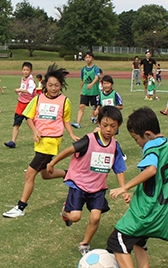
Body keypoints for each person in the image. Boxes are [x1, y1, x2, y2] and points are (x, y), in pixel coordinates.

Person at [108, 107, 168, 268]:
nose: (138, 144)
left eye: (136, 139)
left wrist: (124, 187)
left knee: (116, 241)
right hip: (164, 208)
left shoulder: (151, 147)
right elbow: (159, 181)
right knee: (140, 243)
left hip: (148, 210)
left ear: (147, 135)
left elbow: (151, 170)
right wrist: (137, 193)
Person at [46, 105, 127, 254]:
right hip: (79, 184)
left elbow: (119, 169)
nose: (108, 129)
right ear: (98, 123)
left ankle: (84, 244)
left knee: (95, 217)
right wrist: (52, 163)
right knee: (75, 217)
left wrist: (124, 189)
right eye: (105, 125)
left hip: (98, 187)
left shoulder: (115, 146)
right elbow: (69, 150)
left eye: (113, 126)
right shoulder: (88, 140)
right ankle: (66, 212)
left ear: (118, 126)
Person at [3, 63, 80, 218]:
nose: (53, 88)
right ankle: (70, 174)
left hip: (51, 143)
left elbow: (65, 120)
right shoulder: (38, 99)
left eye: (56, 85)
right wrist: (36, 130)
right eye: (50, 85)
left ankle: (21, 207)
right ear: (45, 84)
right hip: (40, 141)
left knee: (29, 174)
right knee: (45, 174)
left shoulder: (65, 101)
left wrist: (71, 134)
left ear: (61, 86)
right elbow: (29, 117)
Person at [4, 62, 37, 148]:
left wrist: (20, 90)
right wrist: (19, 92)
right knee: (16, 123)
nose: (25, 72)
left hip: (29, 105)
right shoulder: (23, 79)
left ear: (31, 71)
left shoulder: (31, 80)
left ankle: (39, 137)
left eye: (27, 70)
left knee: (32, 124)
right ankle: (13, 141)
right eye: (24, 70)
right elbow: (22, 89)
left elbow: (30, 91)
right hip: (20, 104)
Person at [71, 51, 100, 129]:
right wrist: (81, 90)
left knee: (96, 107)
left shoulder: (96, 68)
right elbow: (82, 81)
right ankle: (78, 123)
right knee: (81, 107)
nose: (88, 59)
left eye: (89, 57)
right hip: (85, 92)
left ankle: (94, 118)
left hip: (94, 92)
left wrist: (91, 84)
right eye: (86, 57)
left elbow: (97, 78)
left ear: (92, 58)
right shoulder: (83, 69)